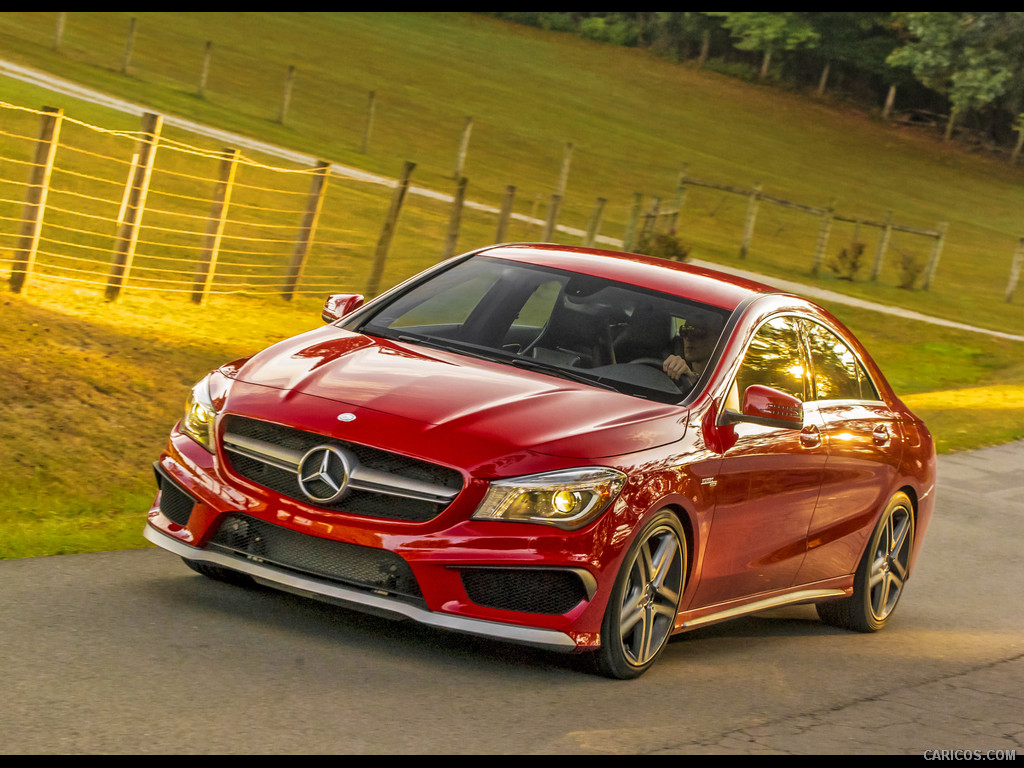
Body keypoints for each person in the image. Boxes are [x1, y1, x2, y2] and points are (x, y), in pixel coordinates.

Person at [662, 312, 722, 388]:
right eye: (684, 331)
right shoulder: (670, 366)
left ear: (717, 339)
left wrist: (692, 378)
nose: (688, 338)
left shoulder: (723, 378)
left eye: (698, 332)